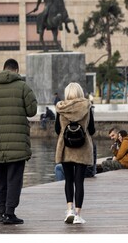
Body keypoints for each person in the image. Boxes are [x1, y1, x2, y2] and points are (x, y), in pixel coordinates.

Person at [0, 58, 38, 225]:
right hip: (17, 143)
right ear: (16, 70)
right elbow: (32, 110)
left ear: (3, 69)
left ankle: (1, 212)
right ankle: (10, 212)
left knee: (0, 178)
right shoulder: (22, 87)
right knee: (14, 178)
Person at [54, 82, 96, 225]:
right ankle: (78, 214)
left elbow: (56, 129)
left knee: (68, 180)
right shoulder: (87, 107)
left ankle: (69, 210)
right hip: (82, 148)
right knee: (79, 182)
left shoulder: (61, 108)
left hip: (66, 148)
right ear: (80, 92)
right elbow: (92, 129)